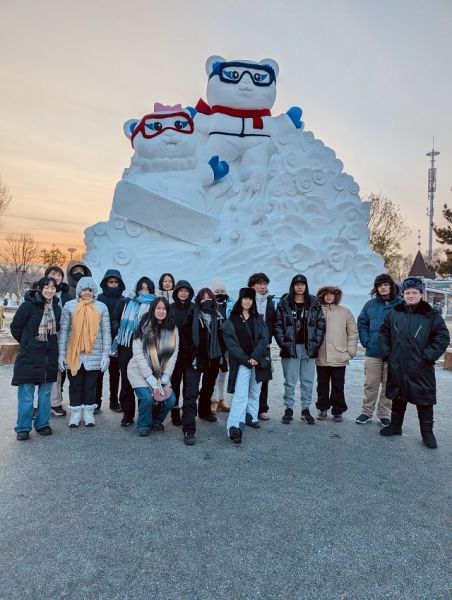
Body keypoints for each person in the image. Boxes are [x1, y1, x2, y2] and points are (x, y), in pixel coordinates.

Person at [380, 277, 450, 449]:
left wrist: (427, 356)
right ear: (403, 294)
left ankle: (427, 433)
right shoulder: (394, 312)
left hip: (421, 366)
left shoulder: (430, 315)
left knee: (424, 399)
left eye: (414, 292)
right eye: (407, 292)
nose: (410, 295)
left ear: (421, 294)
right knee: (398, 395)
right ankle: (395, 426)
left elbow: (442, 338)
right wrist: (388, 353)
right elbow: (384, 333)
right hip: (398, 364)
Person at [11, 276, 61, 440]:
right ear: (40, 288)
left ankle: (42, 424)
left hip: (49, 357)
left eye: (53, 287)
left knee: (45, 394)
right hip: (29, 356)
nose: (49, 290)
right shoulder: (28, 305)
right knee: (26, 394)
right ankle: (23, 427)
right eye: (46, 287)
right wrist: (27, 344)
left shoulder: (56, 308)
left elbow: (56, 332)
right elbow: (16, 327)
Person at [58, 277, 111, 428]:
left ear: (94, 292)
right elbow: (63, 331)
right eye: (84, 290)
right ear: (79, 291)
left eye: (90, 290)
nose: (87, 293)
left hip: (93, 353)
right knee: (75, 385)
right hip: (73, 353)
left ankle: (88, 412)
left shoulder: (101, 307)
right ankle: (75, 413)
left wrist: (105, 354)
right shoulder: (70, 306)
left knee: (90, 385)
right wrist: (61, 353)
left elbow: (106, 332)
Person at [274, 274, 326, 425]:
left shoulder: (314, 303)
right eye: (297, 284)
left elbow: (321, 326)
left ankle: (305, 409)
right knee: (290, 381)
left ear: (306, 286)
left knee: (307, 381)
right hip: (290, 348)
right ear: (293, 286)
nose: (300, 286)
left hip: (308, 348)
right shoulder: (285, 303)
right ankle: (289, 409)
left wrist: (315, 344)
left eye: (302, 284)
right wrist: (284, 343)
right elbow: (277, 325)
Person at [221, 287, 269, 443]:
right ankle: (233, 427)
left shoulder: (258, 318)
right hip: (242, 362)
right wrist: (246, 360)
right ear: (240, 300)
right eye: (245, 298)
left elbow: (264, 339)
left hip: (257, 360)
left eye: (250, 299)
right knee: (241, 395)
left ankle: (252, 416)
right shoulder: (232, 320)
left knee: (255, 390)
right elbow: (231, 344)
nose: (247, 301)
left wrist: (255, 356)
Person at [356, 274, 403, 426]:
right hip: (373, 351)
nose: (382, 287)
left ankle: (384, 414)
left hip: (393, 353)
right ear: (376, 288)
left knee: (388, 385)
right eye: (379, 285)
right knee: (370, 384)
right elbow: (362, 322)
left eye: (385, 284)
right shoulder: (370, 305)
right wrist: (366, 341)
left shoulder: (401, 304)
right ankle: (366, 412)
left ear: (391, 286)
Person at [127, 297, 178, 436]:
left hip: (161, 372)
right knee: (147, 398)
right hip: (138, 371)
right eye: (158, 308)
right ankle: (143, 424)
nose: (161, 311)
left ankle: (156, 421)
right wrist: (149, 377)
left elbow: (174, 354)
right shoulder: (143, 326)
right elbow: (138, 354)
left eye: (164, 309)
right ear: (153, 309)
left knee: (170, 399)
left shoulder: (173, 330)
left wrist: (166, 376)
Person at [179, 288, 224, 446]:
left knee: (208, 387)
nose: (206, 300)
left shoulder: (219, 316)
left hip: (212, 358)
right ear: (198, 300)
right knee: (191, 393)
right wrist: (190, 355)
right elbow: (183, 337)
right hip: (194, 360)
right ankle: (189, 429)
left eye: (209, 297)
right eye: (203, 298)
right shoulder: (192, 314)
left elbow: (223, 337)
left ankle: (204, 411)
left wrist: (222, 356)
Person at [112, 277, 156, 427]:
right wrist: (121, 330)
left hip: (146, 348)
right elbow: (115, 319)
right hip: (126, 346)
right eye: (141, 288)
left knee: (146, 380)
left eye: (147, 288)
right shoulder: (126, 302)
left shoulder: (155, 304)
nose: (144, 291)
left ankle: (146, 414)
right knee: (126, 380)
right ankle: (127, 414)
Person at [315, 286, 358, 421]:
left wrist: (350, 352)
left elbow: (353, 332)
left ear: (336, 296)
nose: (328, 297)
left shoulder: (345, 312)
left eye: (331, 294)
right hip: (321, 355)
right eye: (325, 294)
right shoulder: (316, 311)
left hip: (340, 355)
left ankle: (338, 410)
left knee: (338, 385)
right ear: (321, 296)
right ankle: (322, 409)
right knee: (322, 384)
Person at [96, 269, 126, 412]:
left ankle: (114, 401)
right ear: (105, 282)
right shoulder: (99, 298)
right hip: (101, 341)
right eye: (110, 281)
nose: (113, 284)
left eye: (115, 282)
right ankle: (96, 402)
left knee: (115, 373)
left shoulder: (124, 299)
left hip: (117, 341)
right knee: (99, 373)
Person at [248, 272, 277, 420]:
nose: (262, 286)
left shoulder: (270, 302)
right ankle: (246, 407)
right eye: (259, 283)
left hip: (264, 345)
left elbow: (275, 324)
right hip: (248, 346)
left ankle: (262, 408)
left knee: (263, 376)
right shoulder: (246, 300)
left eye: (265, 284)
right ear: (252, 286)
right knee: (246, 376)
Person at [44, 265, 71, 416]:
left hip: (60, 337)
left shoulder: (67, 294)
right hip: (41, 338)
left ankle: (55, 403)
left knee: (57, 372)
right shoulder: (38, 292)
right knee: (38, 372)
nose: (56, 276)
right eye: (53, 273)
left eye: (59, 274)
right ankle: (37, 405)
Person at [169, 280, 195, 426]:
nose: (184, 293)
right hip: (175, 353)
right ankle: (174, 412)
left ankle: (187, 413)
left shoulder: (194, 307)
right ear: (176, 292)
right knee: (174, 383)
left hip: (190, 353)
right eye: (181, 291)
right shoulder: (171, 308)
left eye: (186, 291)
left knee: (189, 385)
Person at [210, 277, 234, 414]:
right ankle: (213, 400)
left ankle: (221, 398)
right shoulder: (210, 305)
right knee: (214, 373)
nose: (220, 293)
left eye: (222, 290)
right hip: (214, 344)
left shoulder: (231, 304)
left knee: (224, 372)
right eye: (217, 291)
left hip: (227, 344)